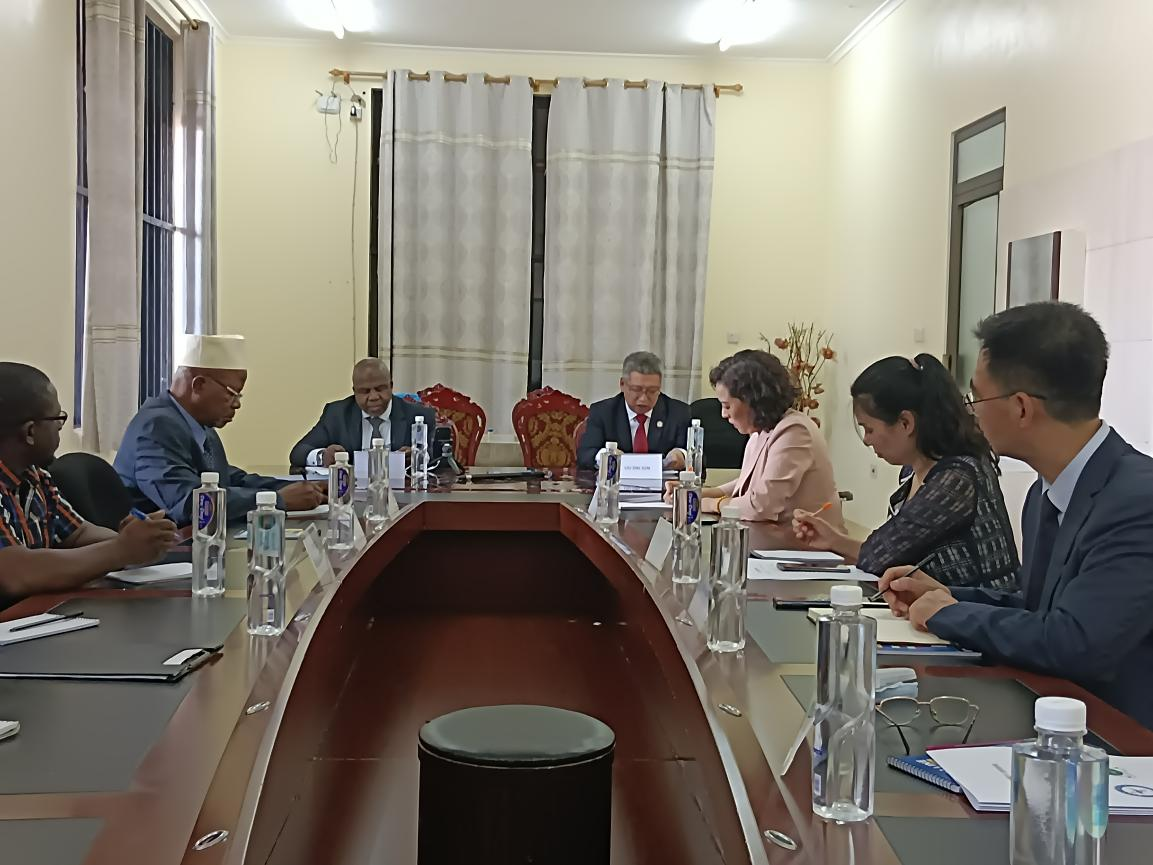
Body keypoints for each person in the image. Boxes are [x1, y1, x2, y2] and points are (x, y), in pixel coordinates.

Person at [879, 302, 1153, 729]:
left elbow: (1076, 641)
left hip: (1122, 740)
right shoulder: (1043, 494)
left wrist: (946, 614)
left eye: (976, 397)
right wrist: (948, 595)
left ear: (1022, 407)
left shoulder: (1137, 500)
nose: (971, 411)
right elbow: (1037, 609)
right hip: (1050, 719)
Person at [793, 354, 1019, 590]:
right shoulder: (912, 471)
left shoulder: (958, 478)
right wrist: (833, 540)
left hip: (980, 609)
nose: (867, 440)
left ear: (905, 423)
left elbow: (880, 556)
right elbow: (890, 550)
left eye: (869, 429)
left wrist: (837, 542)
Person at [0, 363, 177, 604]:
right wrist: (121, 549)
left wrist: (137, 541)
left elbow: (79, 533)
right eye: (57, 419)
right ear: (30, 432)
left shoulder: (35, 476)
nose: (60, 427)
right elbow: (16, 574)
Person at [115, 335, 326, 526]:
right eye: (232, 394)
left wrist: (308, 486)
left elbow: (232, 480)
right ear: (198, 385)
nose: (237, 404)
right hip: (162, 550)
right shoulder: (155, 426)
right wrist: (276, 500)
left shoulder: (200, 426)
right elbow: (188, 504)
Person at [680, 350, 843, 523]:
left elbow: (760, 506)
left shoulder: (795, 431)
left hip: (804, 538)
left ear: (753, 400)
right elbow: (749, 483)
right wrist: (696, 493)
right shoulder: (760, 431)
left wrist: (709, 504)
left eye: (727, 406)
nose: (723, 414)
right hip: (775, 535)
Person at [288, 358, 437, 468]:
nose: (373, 397)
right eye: (365, 391)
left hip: (403, 495)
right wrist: (323, 456)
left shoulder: (419, 416)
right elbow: (298, 453)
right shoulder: (337, 414)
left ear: (391, 386)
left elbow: (437, 461)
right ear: (355, 392)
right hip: (351, 492)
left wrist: (419, 458)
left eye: (380, 389)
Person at [576, 352, 691, 471]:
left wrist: (682, 455)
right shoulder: (603, 412)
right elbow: (585, 454)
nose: (643, 398)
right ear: (622, 384)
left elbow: (695, 455)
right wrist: (606, 456)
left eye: (652, 391)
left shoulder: (678, 412)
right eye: (636, 390)